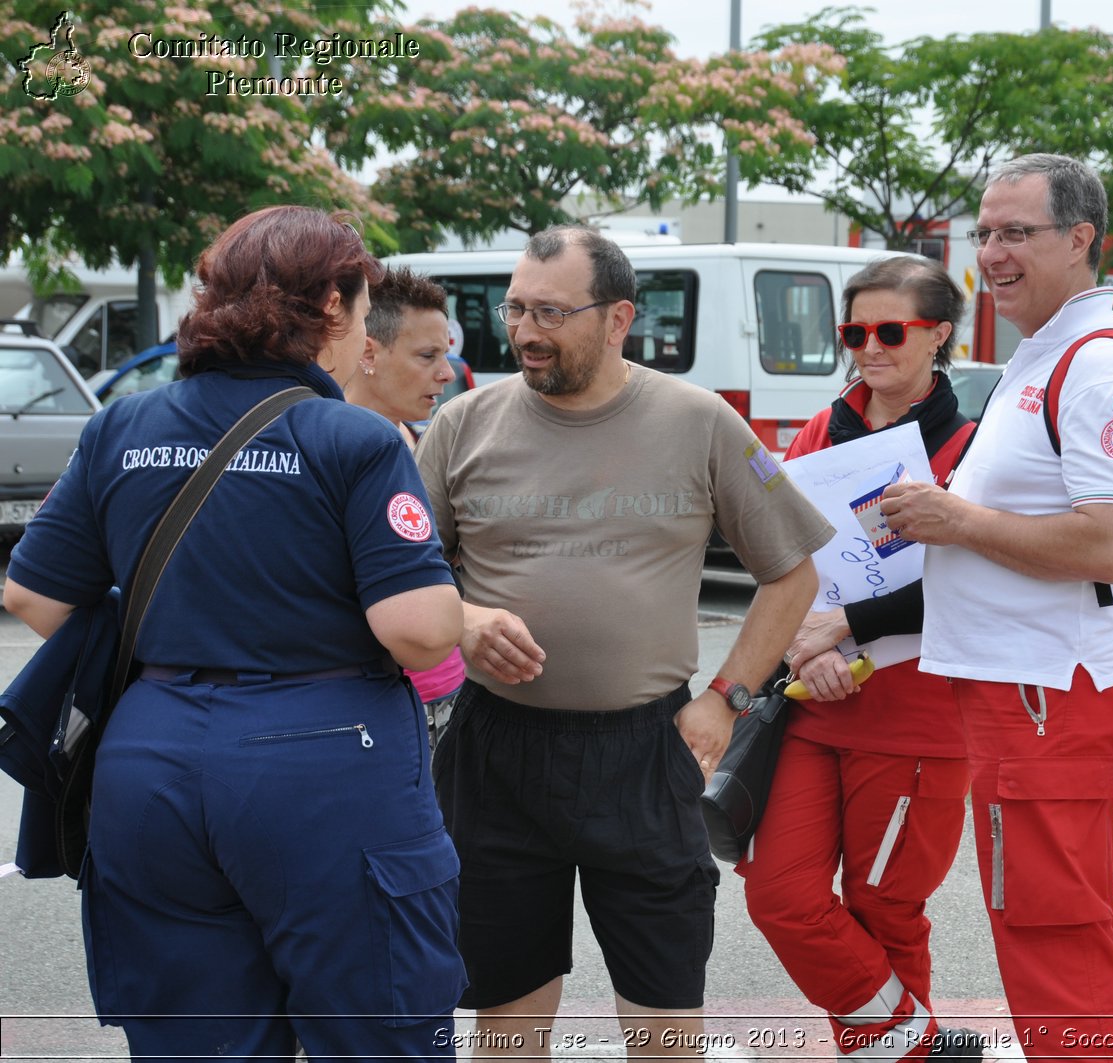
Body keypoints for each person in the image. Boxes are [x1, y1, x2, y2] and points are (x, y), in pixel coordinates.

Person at [2, 206, 468, 1059]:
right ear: (331, 304)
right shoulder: (354, 438)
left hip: (152, 757)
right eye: (364, 314)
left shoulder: (122, 426)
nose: (365, 334)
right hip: (324, 761)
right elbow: (418, 632)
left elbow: (35, 597)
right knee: (378, 1030)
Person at [414, 223, 833, 1057]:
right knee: (504, 1022)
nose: (527, 332)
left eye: (552, 312)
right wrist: (463, 620)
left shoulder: (700, 421)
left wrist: (727, 700)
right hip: (496, 751)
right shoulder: (463, 425)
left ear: (617, 319)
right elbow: (407, 578)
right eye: (516, 309)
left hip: (645, 750)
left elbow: (792, 576)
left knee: (665, 1021)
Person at [880, 154, 1113, 1057]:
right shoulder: (1041, 357)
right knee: (1037, 926)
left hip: (1054, 692)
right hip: (1029, 691)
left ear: (1080, 239)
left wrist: (955, 519)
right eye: (985, 234)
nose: (994, 253)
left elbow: (1108, 543)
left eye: (1018, 232)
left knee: (1054, 934)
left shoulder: (1099, 370)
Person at [739, 255, 985, 1063]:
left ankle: (893, 1055)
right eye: (855, 332)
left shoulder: (976, 446)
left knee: (884, 911)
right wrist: (811, 635)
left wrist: (847, 623)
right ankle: (916, 1045)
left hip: (918, 724)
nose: (869, 347)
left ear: (939, 333)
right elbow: (786, 562)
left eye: (890, 330)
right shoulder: (820, 430)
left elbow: (979, 586)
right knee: (780, 897)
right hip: (814, 704)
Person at [346, 266, 467, 742]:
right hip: (386, 695)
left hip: (443, 683)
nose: (446, 372)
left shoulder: (406, 433)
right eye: (427, 356)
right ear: (369, 352)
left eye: (446, 355)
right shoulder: (333, 444)